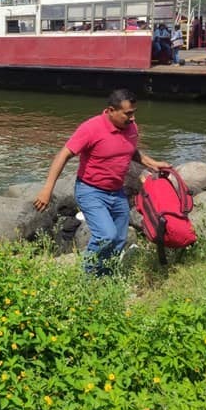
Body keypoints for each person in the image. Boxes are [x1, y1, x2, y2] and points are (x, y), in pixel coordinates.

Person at [33, 89, 170, 275]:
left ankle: (105, 276)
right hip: (91, 192)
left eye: (134, 112)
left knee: (120, 239)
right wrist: (47, 189)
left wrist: (152, 163)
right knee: (106, 236)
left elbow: (130, 150)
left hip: (117, 192)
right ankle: (87, 278)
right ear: (111, 110)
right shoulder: (91, 129)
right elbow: (63, 155)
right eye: (128, 113)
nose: (133, 118)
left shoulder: (131, 128)